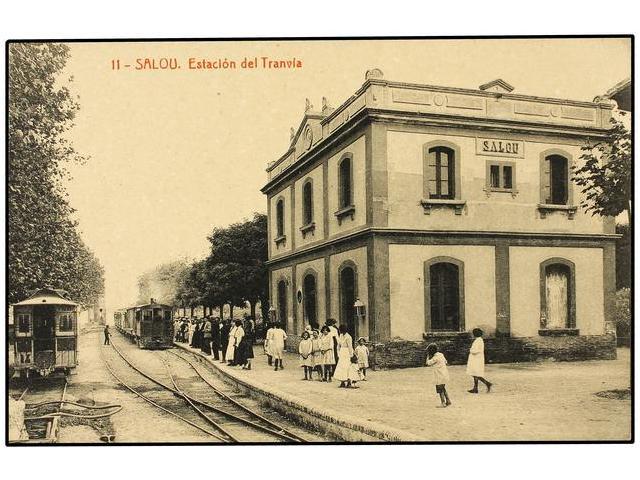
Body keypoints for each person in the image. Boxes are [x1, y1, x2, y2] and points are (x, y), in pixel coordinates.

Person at [467, 328, 492, 393]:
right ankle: (476, 388)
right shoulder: (478, 340)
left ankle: (486, 384)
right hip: (476, 358)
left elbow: (477, 350)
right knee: (474, 373)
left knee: (475, 373)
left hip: (477, 359)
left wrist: (471, 350)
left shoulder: (479, 341)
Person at [426, 343, 451, 407]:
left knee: (440, 390)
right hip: (444, 374)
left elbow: (428, 363)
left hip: (439, 376)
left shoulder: (435, 357)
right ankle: (448, 400)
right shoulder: (441, 355)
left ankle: (443, 403)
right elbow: (446, 362)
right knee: (443, 388)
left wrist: (428, 356)